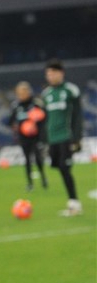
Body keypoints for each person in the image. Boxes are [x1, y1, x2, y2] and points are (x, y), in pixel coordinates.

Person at [40, 59, 83, 216]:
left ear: (61, 73)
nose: (50, 76)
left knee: (65, 168)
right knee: (58, 167)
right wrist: (44, 140)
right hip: (53, 140)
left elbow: (77, 116)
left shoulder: (71, 90)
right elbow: (45, 119)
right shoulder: (46, 94)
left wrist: (77, 138)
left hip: (67, 137)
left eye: (53, 73)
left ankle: (74, 203)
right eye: (48, 74)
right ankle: (73, 202)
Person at [8, 81, 48, 192]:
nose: (22, 95)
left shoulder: (36, 103)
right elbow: (10, 121)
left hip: (36, 136)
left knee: (38, 158)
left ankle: (43, 178)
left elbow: (45, 117)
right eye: (20, 93)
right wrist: (18, 127)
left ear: (29, 92)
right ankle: (30, 183)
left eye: (24, 92)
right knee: (27, 159)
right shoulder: (16, 105)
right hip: (23, 137)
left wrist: (36, 122)